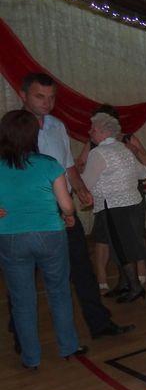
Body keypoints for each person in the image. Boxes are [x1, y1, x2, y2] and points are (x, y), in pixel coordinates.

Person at [16, 73, 134, 338]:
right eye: (39, 96)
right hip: (28, 212)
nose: (47, 103)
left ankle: (99, 324)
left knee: (81, 267)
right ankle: (20, 332)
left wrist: (80, 188)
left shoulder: (57, 126)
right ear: (23, 95)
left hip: (62, 207)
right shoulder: (11, 127)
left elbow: (67, 164)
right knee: (24, 276)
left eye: (51, 97)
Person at [0, 110, 88, 368]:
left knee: (22, 300)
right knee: (59, 292)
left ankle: (31, 358)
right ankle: (68, 346)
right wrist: (68, 216)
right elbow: (67, 205)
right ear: (33, 135)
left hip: (11, 236)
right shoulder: (48, 164)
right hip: (50, 234)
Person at [77, 105, 146, 294]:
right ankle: (126, 284)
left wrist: (72, 184)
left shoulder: (99, 152)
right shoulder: (122, 148)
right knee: (126, 243)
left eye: (93, 128)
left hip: (112, 205)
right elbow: (144, 172)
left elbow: (86, 182)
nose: (90, 132)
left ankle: (135, 287)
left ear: (103, 130)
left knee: (119, 247)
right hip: (131, 202)